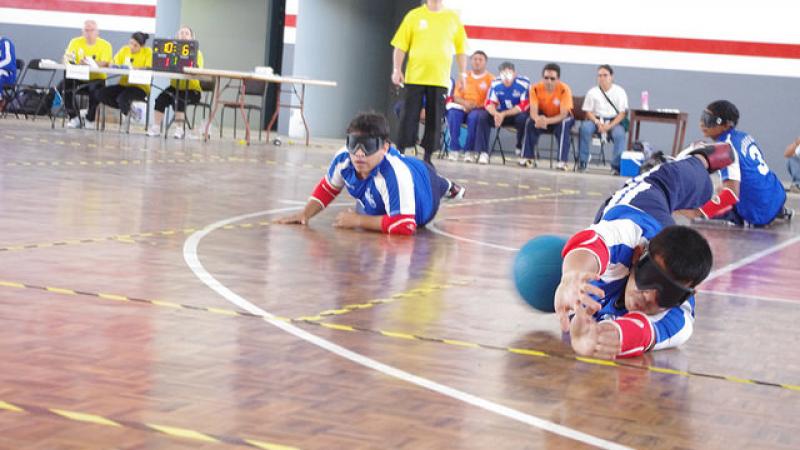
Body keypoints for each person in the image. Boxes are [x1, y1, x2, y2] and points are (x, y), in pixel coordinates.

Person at [553, 143, 735, 359]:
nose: (650, 296)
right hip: (648, 195)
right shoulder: (626, 236)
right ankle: (699, 155)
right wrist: (571, 277)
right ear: (639, 255)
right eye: (651, 276)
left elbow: (660, 331)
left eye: (667, 292)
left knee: (705, 192)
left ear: (686, 294)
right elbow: (593, 243)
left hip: (666, 235)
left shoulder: (680, 306)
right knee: (698, 179)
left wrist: (615, 335)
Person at [275, 112, 465, 235]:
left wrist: (358, 221)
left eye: (368, 146)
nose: (358, 154)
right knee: (368, 205)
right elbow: (328, 187)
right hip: (383, 185)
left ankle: (446, 185)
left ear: (384, 147)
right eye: (353, 144)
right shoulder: (343, 158)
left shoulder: (395, 174)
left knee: (431, 181)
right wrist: (305, 214)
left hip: (424, 187)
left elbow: (405, 225)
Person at [690, 100, 792, 226]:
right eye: (703, 118)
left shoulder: (724, 149)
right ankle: (777, 211)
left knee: (698, 215)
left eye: (710, 120)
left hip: (756, 213)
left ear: (726, 125)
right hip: (777, 195)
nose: (702, 123)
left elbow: (731, 194)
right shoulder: (744, 136)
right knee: (723, 186)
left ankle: (742, 217)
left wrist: (701, 212)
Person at [391, 0, 468, 164]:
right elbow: (400, 46)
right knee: (408, 115)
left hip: (439, 79)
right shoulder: (414, 16)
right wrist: (397, 69)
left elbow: (461, 49)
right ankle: (404, 150)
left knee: (435, 118)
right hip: (415, 77)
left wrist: (462, 74)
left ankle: (428, 157)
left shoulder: (452, 18)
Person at [148, 26, 204, 139]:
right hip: (174, 87)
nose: (183, 35)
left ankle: (180, 129)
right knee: (160, 99)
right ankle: (156, 128)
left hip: (192, 90)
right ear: (177, 37)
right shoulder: (171, 53)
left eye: (186, 33)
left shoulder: (197, 53)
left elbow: (198, 71)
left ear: (192, 38)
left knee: (179, 100)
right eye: (181, 33)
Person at [93, 32, 152, 127]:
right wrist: (114, 65)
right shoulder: (124, 50)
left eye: (135, 45)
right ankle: (129, 108)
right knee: (100, 94)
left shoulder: (148, 52)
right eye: (130, 43)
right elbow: (113, 62)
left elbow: (148, 67)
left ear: (142, 46)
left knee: (122, 99)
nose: (131, 47)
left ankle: (127, 116)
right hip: (123, 84)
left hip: (140, 87)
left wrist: (134, 68)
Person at [476, 62, 531, 165]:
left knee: (523, 119)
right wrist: (496, 114)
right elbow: (489, 103)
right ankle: (483, 153)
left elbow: (524, 106)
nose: (506, 77)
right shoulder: (496, 83)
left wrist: (503, 114)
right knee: (482, 117)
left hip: (516, 113)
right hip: (501, 114)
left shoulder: (524, 83)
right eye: (503, 74)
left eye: (509, 74)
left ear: (514, 74)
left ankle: (520, 148)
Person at [61, 20, 113, 128]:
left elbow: (105, 62)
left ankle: (90, 118)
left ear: (97, 32)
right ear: (82, 32)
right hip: (78, 76)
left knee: (96, 89)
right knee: (65, 84)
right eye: (86, 30)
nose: (89, 33)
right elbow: (67, 57)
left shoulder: (105, 45)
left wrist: (90, 62)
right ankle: (74, 117)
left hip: (96, 78)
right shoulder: (75, 42)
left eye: (91, 30)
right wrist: (73, 62)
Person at [523, 63, 575, 170]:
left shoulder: (565, 89)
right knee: (530, 122)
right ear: (542, 78)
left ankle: (562, 161)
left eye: (552, 78)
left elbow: (563, 114)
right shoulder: (535, 88)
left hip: (562, 118)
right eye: (546, 78)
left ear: (558, 79)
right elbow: (533, 111)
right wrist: (537, 119)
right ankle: (528, 158)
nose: (549, 81)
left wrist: (546, 121)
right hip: (544, 117)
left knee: (564, 125)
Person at [578, 64, 629, 173]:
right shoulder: (592, 92)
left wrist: (609, 126)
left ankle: (616, 166)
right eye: (599, 75)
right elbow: (588, 111)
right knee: (584, 129)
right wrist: (597, 122)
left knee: (619, 135)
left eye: (605, 75)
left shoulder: (620, 92)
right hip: (596, 120)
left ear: (611, 77)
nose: (602, 78)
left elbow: (622, 113)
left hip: (614, 121)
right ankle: (583, 161)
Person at [445, 50, 493, 164]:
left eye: (480, 60)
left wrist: (475, 106)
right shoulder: (464, 77)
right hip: (463, 107)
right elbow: (455, 96)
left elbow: (492, 100)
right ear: (471, 61)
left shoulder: (491, 79)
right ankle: (454, 149)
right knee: (452, 113)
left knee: (474, 117)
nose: (477, 62)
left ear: (485, 62)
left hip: (479, 109)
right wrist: (465, 103)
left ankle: (469, 151)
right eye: (475, 59)